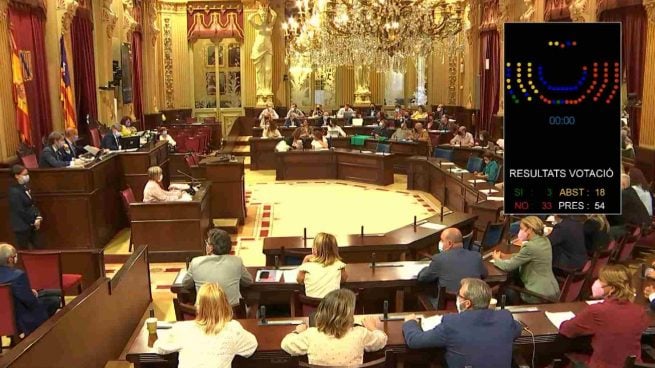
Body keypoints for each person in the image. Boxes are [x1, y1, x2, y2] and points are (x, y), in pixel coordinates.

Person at [403, 278, 522, 368]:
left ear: (467, 303)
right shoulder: (505, 318)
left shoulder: (452, 323)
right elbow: (517, 329)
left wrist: (410, 322)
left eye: (459, 295)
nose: (457, 297)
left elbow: (414, 340)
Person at [561, 265, 649, 368]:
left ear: (612, 288)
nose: (597, 282)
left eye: (601, 280)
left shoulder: (597, 311)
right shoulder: (640, 311)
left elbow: (567, 330)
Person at [154, 283, 258, 368]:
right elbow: (251, 346)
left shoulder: (183, 329)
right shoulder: (234, 329)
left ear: (198, 307)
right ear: (225, 305)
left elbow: (159, 347)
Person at [281, 289, 387, 366]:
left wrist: (297, 332)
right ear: (349, 315)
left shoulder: (311, 335)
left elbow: (285, 344)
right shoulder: (361, 333)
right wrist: (373, 328)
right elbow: (382, 340)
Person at [492, 216, 560, 304]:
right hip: (553, 290)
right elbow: (528, 255)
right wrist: (507, 256)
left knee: (503, 289)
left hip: (538, 295)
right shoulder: (545, 240)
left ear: (530, 229)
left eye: (521, 228)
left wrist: (496, 259)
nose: (520, 231)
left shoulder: (529, 246)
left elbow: (508, 266)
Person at [0, 243, 61, 335]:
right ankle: (40, 334)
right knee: (54, 301)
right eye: (15, 256)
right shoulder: (18, 275)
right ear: (10, 259)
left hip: (3, 320)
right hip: (20, 319)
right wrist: (32, 295)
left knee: (46, 294)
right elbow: (31, 302)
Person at [183, 229, 253, 306]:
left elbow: (186, 284)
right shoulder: (237, 261)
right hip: (232, 313)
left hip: (204, 314)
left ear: (211, 248)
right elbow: (248, 281)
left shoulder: (195, 262)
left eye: (207, 243)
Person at [417, 228, 487, 298]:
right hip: (473, 305)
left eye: (442, 240)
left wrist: (426, 268)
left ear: (449, 243)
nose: (440, 243)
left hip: (446, 305)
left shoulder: (439, 259)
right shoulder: (476, 256)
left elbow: (422, 278)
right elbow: (485, 274)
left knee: (424, 294)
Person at [297, 232, 347, 298]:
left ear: (314, 250)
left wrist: (306, 259)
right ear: (334, 250)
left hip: (312, 306)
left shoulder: (307, 266)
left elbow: (299, 280)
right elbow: (344, 279)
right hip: (331, 306)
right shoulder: (339, 265)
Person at [8, 165, 42, 250]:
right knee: (25, 251)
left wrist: (38, 216)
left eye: (27, 174)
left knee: (38, 247)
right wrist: (33, 221)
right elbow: (20, 210)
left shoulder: (25, 186)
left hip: (31, 225)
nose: (27, 176)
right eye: (24, 174)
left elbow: (32, 204)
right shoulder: (14, 192)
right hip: (22, 227)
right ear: (17, 176)